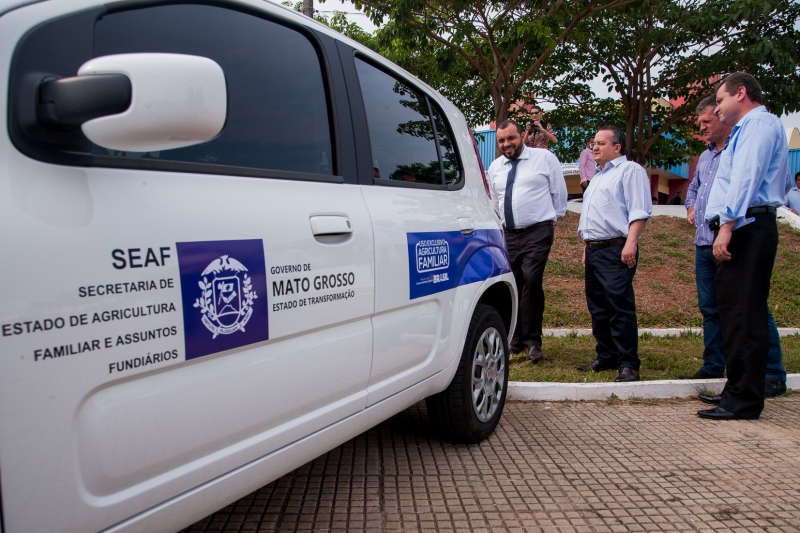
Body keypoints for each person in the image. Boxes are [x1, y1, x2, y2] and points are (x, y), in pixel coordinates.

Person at [680, 95, 786, 399]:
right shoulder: (706, 157)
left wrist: (726, 227)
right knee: (713, 308)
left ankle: (771, 374)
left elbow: (745, 184)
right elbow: (694, 189)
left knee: (749, 307)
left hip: (736, 232)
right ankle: (715, 365)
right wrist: (691, 207)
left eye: (707, 120)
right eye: (700, 122)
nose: (702, 127)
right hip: (705, 240)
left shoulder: (747, 140)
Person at [575, 125, 652, 382]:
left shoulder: (630, 171)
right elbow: (594, 217)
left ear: (617, 147)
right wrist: (586, 247)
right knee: (598, 308)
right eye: (593, 143)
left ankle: (628, 363)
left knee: (620, 307)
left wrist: (631, 243)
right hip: (594, 250)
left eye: (601, 143)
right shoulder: (597, 176)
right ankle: (606, 355)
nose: (594, 147)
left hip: (616, 249)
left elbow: (639, 210)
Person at [488, 120, 567, 362]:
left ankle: (533, 341)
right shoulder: (495, 167)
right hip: (509, 234)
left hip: (537, 231)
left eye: (511, 138)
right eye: (501, 140)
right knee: (513, 284)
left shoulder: (544, 158)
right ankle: (516, 339)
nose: (506, 144)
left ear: (521, 135)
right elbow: (495, 201)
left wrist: (550, 219)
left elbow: (559, 193)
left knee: (531, 280)